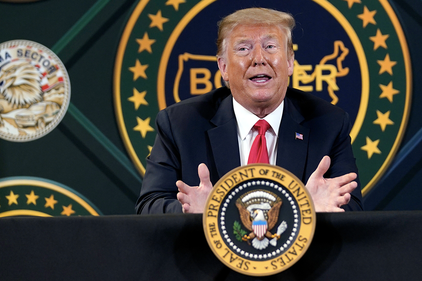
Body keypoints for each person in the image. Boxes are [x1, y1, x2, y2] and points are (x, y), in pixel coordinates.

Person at [136, 7, 363, 214]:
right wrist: (197, 212)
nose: (259, 59)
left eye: (270, 47)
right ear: (223, 67)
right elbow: (149, 207)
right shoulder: (180, 124)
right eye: (244, 49)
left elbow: (352, 209)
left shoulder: (328, 123)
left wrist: (305, 209)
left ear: (290, 62)